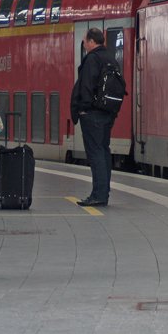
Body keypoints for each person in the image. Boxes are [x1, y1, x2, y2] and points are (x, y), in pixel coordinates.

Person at [70, 28, 119, 207]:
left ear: (91, 42)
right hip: (108, 113)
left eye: (85, 41)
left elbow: (86, 86)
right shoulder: (110, 58)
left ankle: (98, 194)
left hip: (92, 114)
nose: (84, 44)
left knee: (96, 153)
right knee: (104, 151)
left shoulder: (92, 59)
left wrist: (83, 109)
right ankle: (103, 192)